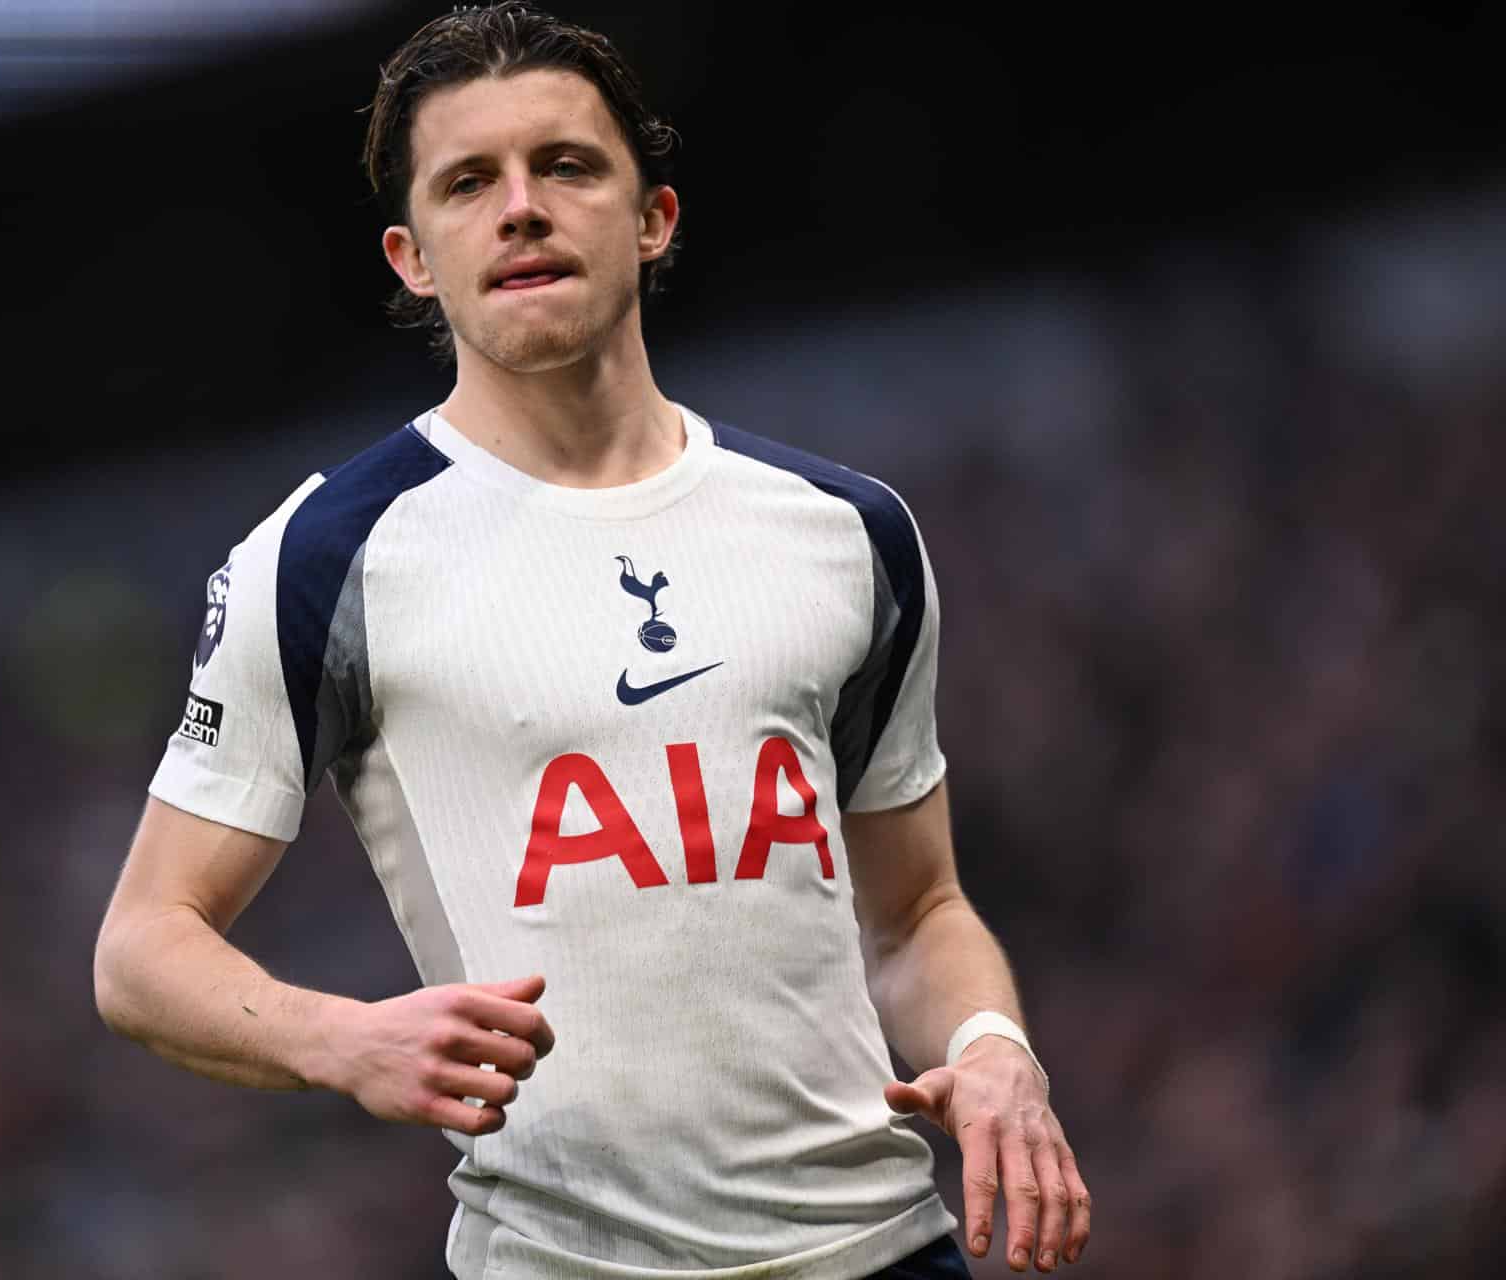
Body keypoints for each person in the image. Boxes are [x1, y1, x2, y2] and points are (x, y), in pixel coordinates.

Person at [93, 4, 1093, 1276]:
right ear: (412, 257)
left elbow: (915, 913)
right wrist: (340, 1039)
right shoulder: (324, 556)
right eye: (470, 182)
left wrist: (995, 1047)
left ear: (653, 218)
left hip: (892, 1249)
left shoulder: (847, 529)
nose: (521, 207)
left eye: (566, 165)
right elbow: (141, 948)